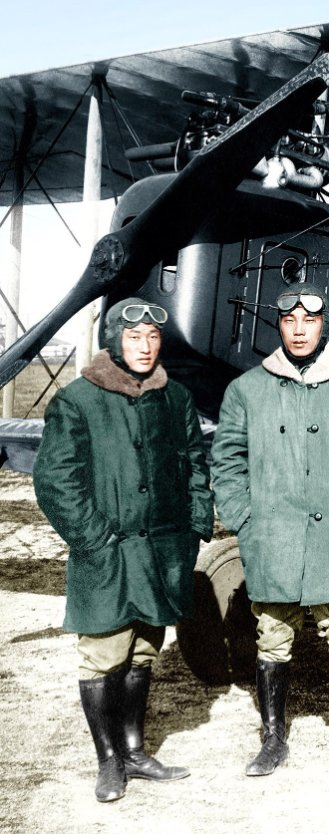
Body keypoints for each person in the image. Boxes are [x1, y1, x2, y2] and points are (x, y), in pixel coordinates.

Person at [211, 283, 329, 777]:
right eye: (289, 320)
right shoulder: (247, 389)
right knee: (272, 637)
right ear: (278, 325)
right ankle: (273, 739)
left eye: (309, 321)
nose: (298, 330)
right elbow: (227, 463)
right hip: (272, 539)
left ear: (324, 324)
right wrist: (245, 520)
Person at [33, 298, 213, 802]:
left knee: (144, 650)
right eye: (134, 337)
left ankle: (134, 750)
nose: (145, 346)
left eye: (153, 337)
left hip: (162, 552)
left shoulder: (175, 397)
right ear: (113, 340)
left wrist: (194, 525)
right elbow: (55, 481)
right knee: (103, 655)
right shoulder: (77, 400)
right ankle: (108, 760)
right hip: (107, 554)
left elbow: (195, 463)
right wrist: (94, 537)